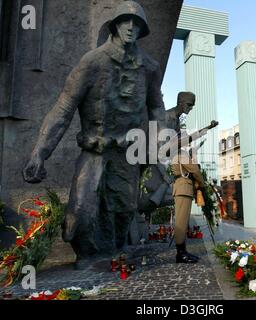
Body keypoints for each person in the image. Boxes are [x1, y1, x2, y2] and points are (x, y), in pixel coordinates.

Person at [22, 1, 166, 268]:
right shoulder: (92, 62)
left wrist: (160, 146)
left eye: (137, 24)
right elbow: (64, 107)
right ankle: (89, 258)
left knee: (124, 210)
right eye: (125, 21)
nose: (131, 27)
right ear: (114, 24)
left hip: (128, 153)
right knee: (82, 213)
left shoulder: (149, 67)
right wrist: (39, 153)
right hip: (95, 150)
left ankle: (113, 257)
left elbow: (156, 107)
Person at [171, 147, 205, 263]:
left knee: (183, 221)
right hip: (183, 188)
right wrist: (202, 183)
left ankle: (183, 251)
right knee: (181, 222)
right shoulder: (181, 153)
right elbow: (194, 169)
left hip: (182, 188)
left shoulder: (176, 152)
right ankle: (181, 254)